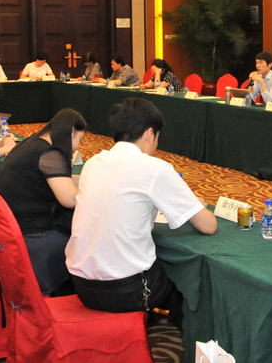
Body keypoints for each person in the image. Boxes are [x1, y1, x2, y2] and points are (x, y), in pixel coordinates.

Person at [65, 98, 217, 313]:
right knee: (187, 285)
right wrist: (195, 205)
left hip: (82, 286)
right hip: (125, 291)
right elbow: (208, 225)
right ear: (149, 133)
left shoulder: (92, 164)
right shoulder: (154, 168)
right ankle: (177, 331)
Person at [0, 109, 87, 295]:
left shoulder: (33, 142)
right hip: (28, 237)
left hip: (6, 231)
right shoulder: (50, 154)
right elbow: (70, 199)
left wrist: (85, 181)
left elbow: (60, 180)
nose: (77, 147)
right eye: (80, 139)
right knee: (84, 248)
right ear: (71, 132)